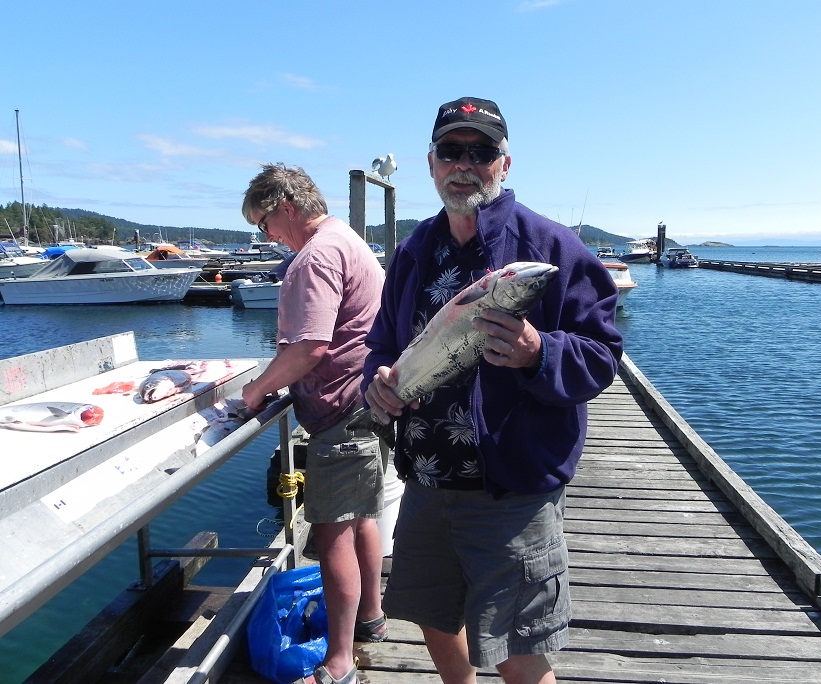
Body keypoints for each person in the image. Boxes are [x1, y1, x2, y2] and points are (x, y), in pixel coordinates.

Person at [361, 98, 624, 684]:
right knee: (433, 616)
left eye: (481, 151)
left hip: (510, 487)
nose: (465, 164)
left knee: (518, 648)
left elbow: (603, 355)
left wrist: (540, 352)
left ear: (505, 163)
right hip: (425, 478)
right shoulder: (414, 250)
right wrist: (377, 381)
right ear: (432, 163)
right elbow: (382, 343)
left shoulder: (551, 248)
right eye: (452, 151)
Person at [241, 163, 388, 684]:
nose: (267, 236)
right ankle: (371, 616)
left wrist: (257, 390)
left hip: (339, 415)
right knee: (361, 517)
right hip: (367, 407)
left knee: (332, 536)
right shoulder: (347, 239)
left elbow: (310, 347)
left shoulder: (316, 255)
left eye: (264, 223)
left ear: (286, 207)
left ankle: (340, 662)